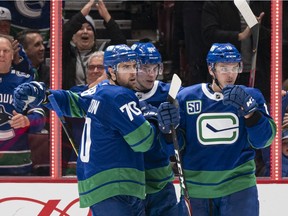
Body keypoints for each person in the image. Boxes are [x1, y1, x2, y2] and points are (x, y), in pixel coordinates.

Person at [13, 44, 158, 215]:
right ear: (111, 71)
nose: (133, 72)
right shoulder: (119, 95)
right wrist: (152, 118)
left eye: (134, 66)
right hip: (116, 183)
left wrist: (44, 94)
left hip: (98, 183)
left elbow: (74, 101)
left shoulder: (100, 91)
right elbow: (143, 141)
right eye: (125, 67)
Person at [157, 43, 276, 216]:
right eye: (223, 67)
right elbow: (173, 150)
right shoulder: (186, 98)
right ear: (211, 69)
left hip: (239, 188)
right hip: (197, 190)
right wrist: (167, 131)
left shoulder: (251, 96)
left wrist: (251, 114)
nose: (230, 74)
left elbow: (264, 140)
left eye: (235, 67)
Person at [131, 42, 178, 215]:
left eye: (155, 68)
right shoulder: (119, 93)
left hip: (161, 181)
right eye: (145, 68)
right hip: (129, 181)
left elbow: (179, 141)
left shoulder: (171, 94)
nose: (151, 74)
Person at [201, 1, 271, 103]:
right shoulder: (215, 3)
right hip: (225, 70)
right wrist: (240, 36)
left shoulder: (261, 3)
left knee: (256, 109)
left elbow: (275, 36)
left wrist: (258, 29)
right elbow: (208, 34)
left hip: (257, 70)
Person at [0, 36, 45, 175]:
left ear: (13, 54)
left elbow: (40, 119)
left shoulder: (24, 81)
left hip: (18, 167)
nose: (1, 55)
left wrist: (27, 121)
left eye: (6, 50)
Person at [62, 0, 126, 90]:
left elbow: (121, 44)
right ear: (73, 37)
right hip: (75, 98)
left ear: (94, 36)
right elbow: (62, 36)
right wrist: (81, 15)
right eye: (80, 29)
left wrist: (107, 17)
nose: (85, 32)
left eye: (89, 29)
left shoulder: (103, 53)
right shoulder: (66, 55)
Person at [64, 51, 107, 176]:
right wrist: (101, 82)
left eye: (100, 67)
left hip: (108, 160)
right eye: (91, 67)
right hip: (79, 159)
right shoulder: (76, 92)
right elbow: (82, 100)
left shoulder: (116, 95)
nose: (95, 71)